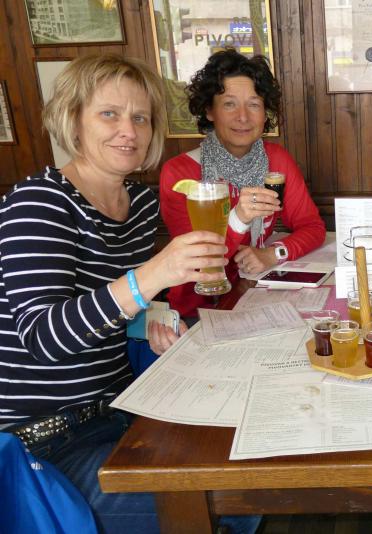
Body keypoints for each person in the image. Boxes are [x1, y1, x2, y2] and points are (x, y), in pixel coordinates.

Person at [0, 55, 230, 532]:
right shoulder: (37, 202)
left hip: (118, 410)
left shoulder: (139, 204)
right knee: (217, 502)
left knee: (238, 473)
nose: (129, 130)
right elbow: (43, 338)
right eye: (109, 114)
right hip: (37, 444)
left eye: (140, 117)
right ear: (73, 121)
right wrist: (152, 276)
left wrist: (155, 320)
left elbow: (115, 303)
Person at [160, 49, 325, 318]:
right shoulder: (180, 173)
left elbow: (312, 226)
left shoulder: (276, 161)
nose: (243, 117)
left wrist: (272, 254)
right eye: (229, 104)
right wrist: (239, 218)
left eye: (254, 104)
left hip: (257, 297)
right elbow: (198, 262)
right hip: (197, 309)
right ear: (209, 111)